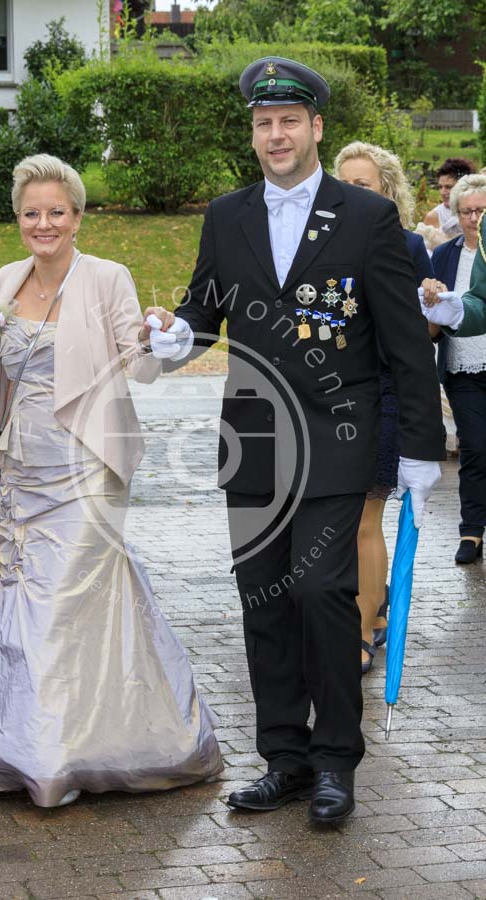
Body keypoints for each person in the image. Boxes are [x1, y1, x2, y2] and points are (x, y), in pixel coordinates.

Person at [145, 58, 445, 826]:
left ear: (315, 127)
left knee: (320, 594)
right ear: (253, 133)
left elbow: (405, 342)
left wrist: (420, 445)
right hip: (254, 440)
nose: (275, 135)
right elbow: (203, 310)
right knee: (265, 602)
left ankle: (336, 760)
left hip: (337, 438)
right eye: (263, 124)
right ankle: (285, 758)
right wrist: (175, 337)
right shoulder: (227, 216)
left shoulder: (367, 217)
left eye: (288, 122)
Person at [0, 153, 222, 808]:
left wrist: (159, 335)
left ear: (77, 217)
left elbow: (140, 364)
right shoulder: (5, 280)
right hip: (26, 468)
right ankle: (18, 743)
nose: (43, 224)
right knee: (26, 596)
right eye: (31, 213)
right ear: (18, 219)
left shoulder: (106, 277)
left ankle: (54, 756)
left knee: (60, 598)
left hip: (89, 467)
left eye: (56, 212)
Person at [332, 141, 434, 673]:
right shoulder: (318, 246)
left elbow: (420, 335)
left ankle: (362, 632)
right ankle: (370, 610)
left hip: (382, 394)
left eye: (363, 185)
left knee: (364, 520)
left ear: (386, 192)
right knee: (340, 522)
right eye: (343, 183)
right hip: (329, 398)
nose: (350, 193)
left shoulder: (408, 245)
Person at [420, 177, 486, 564]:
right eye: (466, 211)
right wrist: (431, 307)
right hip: (463, 368)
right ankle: (471, 531)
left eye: (481, 210)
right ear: (456, 215)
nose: (474, 218)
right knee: (475, 447)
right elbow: (431, 324)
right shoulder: (444, 255)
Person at [424, 157, 476, 239]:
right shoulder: (433, 217)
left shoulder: (479, 212)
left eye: (448, 187)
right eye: (440, 187)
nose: (443, 192)